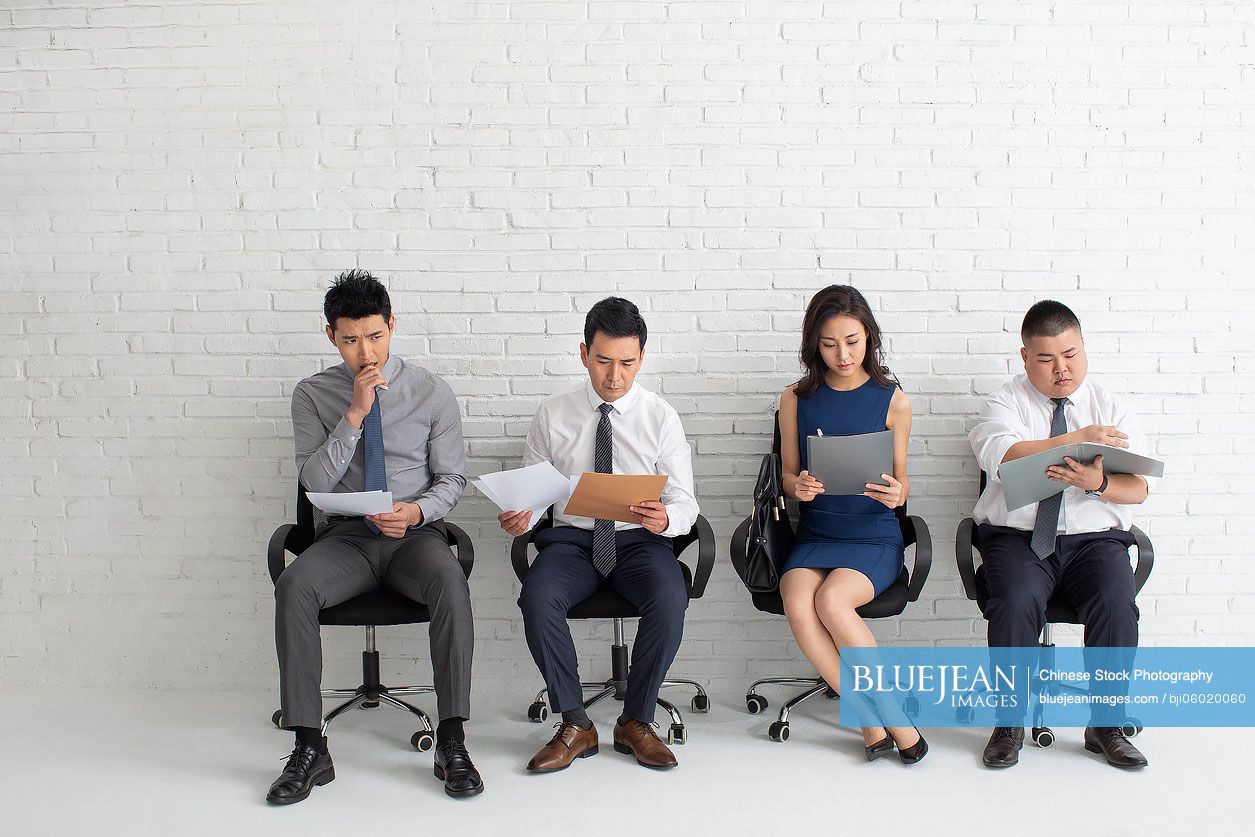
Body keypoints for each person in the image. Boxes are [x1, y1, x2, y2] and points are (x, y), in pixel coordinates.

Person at [268, 270, 483, 803]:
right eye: (350, 339)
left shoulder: (432, 392)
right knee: (295, 585)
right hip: (347, 540)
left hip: (414, 538)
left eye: (375, 336)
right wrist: (355, 415)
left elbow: (452, 479)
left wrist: (415, 513)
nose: (365, 352)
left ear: (392, 325)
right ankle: (308, 746)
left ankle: (451, 739)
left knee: (451, 584)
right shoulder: (312, 395)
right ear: (331, 336)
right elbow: (313, 481)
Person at [498, 297, 699, 773]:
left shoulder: (660, 417)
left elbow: (686, 503)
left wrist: (665, 520)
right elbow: (536, 493)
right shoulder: (552, 414)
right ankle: (575, 724)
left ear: (641, 359)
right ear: (583, 353)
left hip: (639, 542)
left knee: (670, 597)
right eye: (603, 361)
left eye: (627, 363)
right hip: (573, 542)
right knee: (537, 596)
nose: (614, 376)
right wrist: (522, 515)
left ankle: (636, 722)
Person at [970, 300, 1154, 770]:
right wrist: (1074, 441)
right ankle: (1008, 724)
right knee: (1013, 602)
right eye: (1047, 358)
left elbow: (1139, 489)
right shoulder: (1004, 403)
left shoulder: (1111, 406)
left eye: (1070, 354)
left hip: (1095, 541)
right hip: (1018, 538)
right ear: (1025, 356)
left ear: (1083, 347)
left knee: (1116, 601)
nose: (1061, 369)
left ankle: (1105, 725)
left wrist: (1099, 483)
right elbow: (1005, 457)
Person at [776, 285, 927, 764]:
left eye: (853, 341)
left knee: (832, 601)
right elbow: (787, 473)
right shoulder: (795, 398)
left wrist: (898, 492)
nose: (843, 355)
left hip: (871, 534)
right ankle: (870, 717)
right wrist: (795, 487)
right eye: (829, 344)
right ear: (813, 345)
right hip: (818, 531)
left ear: (870, 338)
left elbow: (903, 484)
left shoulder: (892, 399)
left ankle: (891, 723)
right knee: (798, 602)